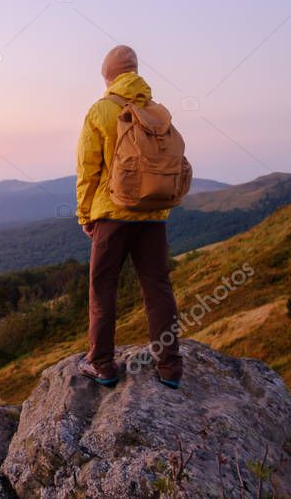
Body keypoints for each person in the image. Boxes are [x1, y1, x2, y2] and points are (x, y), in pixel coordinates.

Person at [75, 45, 183, 389]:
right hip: (153, 213)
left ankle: (102, 364)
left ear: (108, 76)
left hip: (113, 215)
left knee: (103, 288)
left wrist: (84, 215)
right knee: (158, 288)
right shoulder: (156, 111)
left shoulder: (101, 110)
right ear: (135, 71)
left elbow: (88, 170)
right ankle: (169, 367)